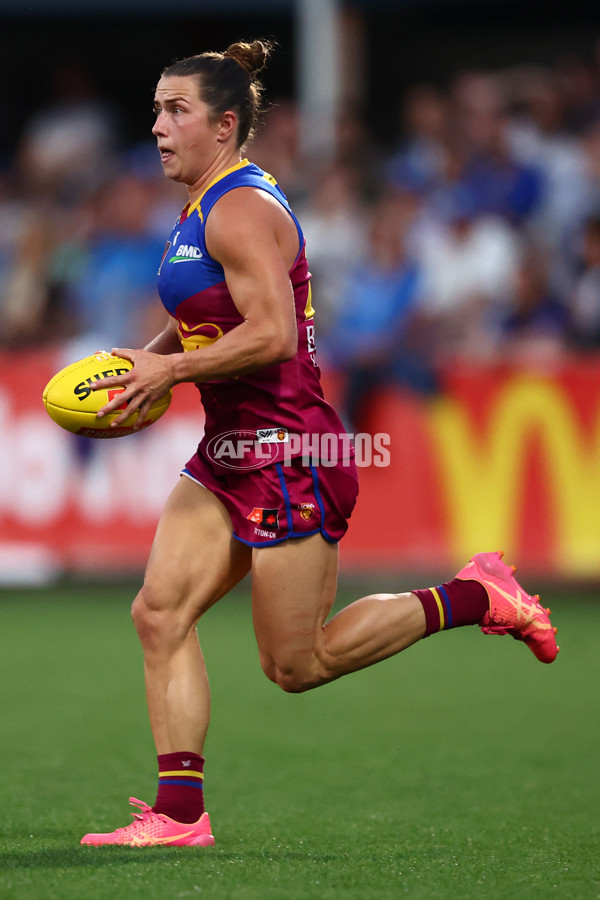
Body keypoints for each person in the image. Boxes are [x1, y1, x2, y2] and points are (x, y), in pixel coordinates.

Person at [79, 40, 559, 849]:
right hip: (231, 448)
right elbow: (211, 312)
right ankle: (180, 816)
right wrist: (153, 359)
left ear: (224, 125)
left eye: (176, 110)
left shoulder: (238, 210)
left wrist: (172, 372)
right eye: (157, 108)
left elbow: (269, 336)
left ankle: (477, 595)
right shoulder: (203, 202)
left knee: (297, 665)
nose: (157, 126)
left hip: (292, 452)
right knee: (159, 613)